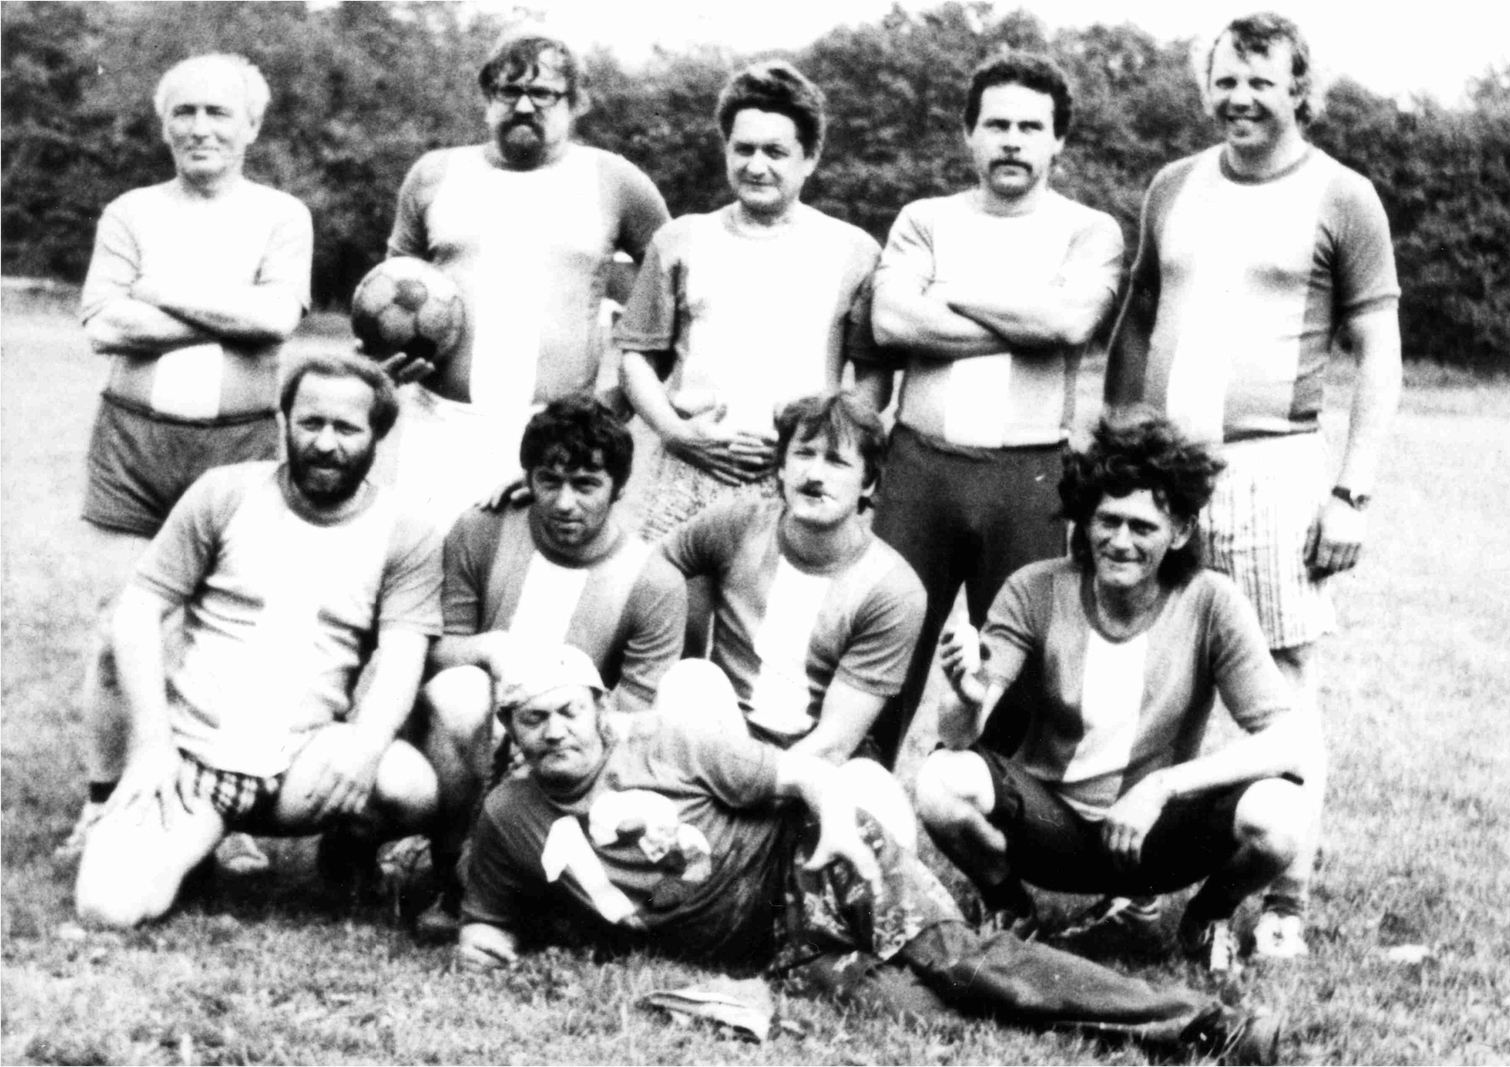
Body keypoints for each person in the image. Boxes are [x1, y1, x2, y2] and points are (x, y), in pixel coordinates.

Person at [453, 644, 1283, 1065]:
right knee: (934, 1012)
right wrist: (488, 953)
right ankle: (1156, 1039)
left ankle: (1207, 1024)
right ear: (512, 733)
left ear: (600, 708)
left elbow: (804, 776)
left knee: (960, 959)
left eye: (568, 710)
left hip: (817, 864)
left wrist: (845, 836)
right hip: (776, 954)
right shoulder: (508, 817)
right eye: (533, 719)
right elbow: (486, 925)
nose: (554, 730)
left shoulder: (669, 744)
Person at [1103, 11, 1402, 959]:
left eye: (1261, 82)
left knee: (1282, 684)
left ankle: (1284, 899)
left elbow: (1380, 351)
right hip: (1163, 473)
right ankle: (1144, 886)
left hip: (1270, 469)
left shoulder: (1343, 196)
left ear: (1300, 92)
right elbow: (1137, 322)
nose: (1240, 98)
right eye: (1225, 80)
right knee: (1157, 675)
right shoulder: (1173, 185)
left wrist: (1351, 491)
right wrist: (1117, 457)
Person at [914, 414, 1311, 973]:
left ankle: (1206, 917)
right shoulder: (1035, 588)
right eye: (1108, 520)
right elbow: (956, 737)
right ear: (1085, 520)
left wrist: (1162, 788)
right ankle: (1010, 906)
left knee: (1282, 813)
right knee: (940, 781)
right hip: (1049, 830)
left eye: (1142, 527)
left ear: (1180, 532)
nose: (1121, 542)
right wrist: (966, 694)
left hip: (1155, 838)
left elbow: (1288, 742)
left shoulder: (1211, 601)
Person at [73, 354, 443, 929]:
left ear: (378, 435)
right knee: (107, 908)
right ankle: (191, 846)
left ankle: (346, 851)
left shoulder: (406, 531)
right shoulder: (225, 493)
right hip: (195, 760)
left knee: (409, 785)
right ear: (283, 421)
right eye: (310, 422)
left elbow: (403, 655)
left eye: (347, 428)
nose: (325, 443)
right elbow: (138, 612)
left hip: (303, 765)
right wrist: (151, 745)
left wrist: (366, 748)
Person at [60, 53, 315, 874]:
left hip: (238, 450)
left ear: (252, 126)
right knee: (119, 631)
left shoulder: (281, 215)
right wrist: (224, 309)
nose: (201, 128)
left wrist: (158, 291)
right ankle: (102, 802)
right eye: (186, 112)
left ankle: (225, 808)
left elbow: (274, 320)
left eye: (219, 112)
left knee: (229, 640)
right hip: (133, 444)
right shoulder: (131, 211)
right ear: (164, 123)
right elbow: (104, 325)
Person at [865, 53, 1125, 762]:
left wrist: (950, 295)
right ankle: (860, 796)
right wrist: (1025, 320)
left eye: (1031, 127)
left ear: (1058, 140)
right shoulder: (925, 219)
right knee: (884, 639)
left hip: (1029, 476)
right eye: (997, 125)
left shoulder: (1089, 229)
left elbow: (1070, 323)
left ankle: (995, 805)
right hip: (920, 468)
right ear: (969, 133)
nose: (1013, 140)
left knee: (1018, 657)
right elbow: (892, 321)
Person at [416, 396, 686, 932]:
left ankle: (522, 882)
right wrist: (490, 649)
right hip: (477, 733)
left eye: (585, 485)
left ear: (618, 489)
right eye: (549, 481)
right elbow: (437, 651)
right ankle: (448, 870)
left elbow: (631, 716)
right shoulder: (483, 529)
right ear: (527, 478)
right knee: (459, 690)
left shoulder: (653, 581)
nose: (564, 502)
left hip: (570, 750)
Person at [385, 25, 670, 526]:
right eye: (508, 91)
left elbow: (674, 296)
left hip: (554, 440)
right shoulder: (434, 174)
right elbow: (389, 289)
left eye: (542, 93)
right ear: (487, 97)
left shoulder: (614, 181)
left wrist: (621, 402)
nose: (522, 106)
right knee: (428, 567)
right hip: (435, 426)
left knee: (526, 571)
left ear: (575, 103)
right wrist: (383, 358)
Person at [615, 60, 881, 542]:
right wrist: (676, 432)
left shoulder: (854, 251)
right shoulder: (681, 239)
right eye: (743, 149)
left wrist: (818, 446)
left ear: (810, 157)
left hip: (795, 480)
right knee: (670, 588)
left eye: (775, 151)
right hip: (688, 471)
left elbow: (873, 376)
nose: (756, 166)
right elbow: (636, 357)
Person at [658, 391, 924, 765]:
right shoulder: (736, 524)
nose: (814, 474)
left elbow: (834, 743)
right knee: (689, 680)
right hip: (721, 736)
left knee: (872, 793)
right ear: (781, 466)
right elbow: (649, 570)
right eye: (803, 454)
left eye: (836, 461)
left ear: (868, 483)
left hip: (815, 765)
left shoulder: (892, 589)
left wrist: (759, 779)